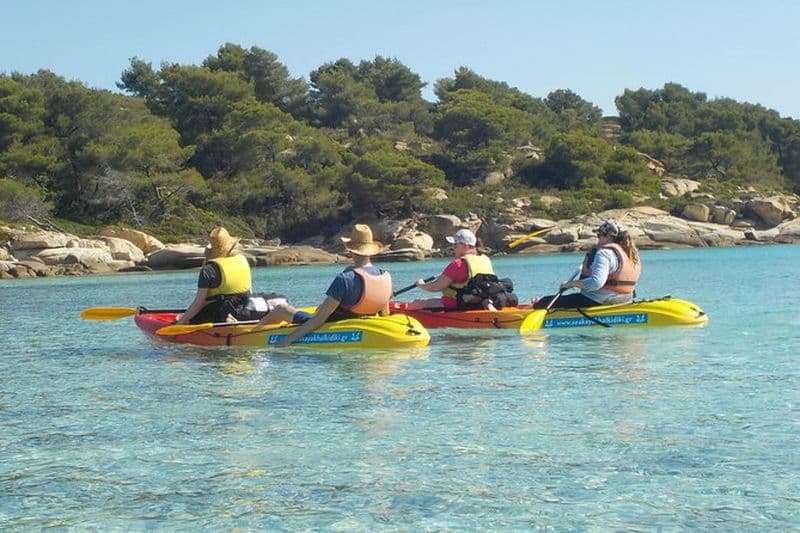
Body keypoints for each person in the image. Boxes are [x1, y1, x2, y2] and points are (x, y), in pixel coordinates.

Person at [256, 224, 393, 347]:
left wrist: (287, 340)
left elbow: (319, 320)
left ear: (351, 250)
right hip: (362, 323)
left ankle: (250, 333)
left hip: (334, 323)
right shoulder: (385, 276)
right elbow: (384, 313)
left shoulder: (345, 279)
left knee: (281, 308)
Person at [533, 219, 642, 309]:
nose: (598, 238)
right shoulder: (631, 254)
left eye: (599, 235)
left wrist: (570, 284)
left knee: (543, 302)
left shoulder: (604, 253)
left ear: (608, 237)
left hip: (598, 300)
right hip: (625, 300)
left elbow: (596, 283)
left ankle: (537, 303)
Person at [406, 228, 508, 311]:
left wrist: (421, 284)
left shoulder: (457, 264)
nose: (453, 247)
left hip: (458, 303)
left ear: (465, 245)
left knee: (415, 304)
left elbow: (435, 287)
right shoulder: (485, 259)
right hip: (480, 301)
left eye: (455, 244)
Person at [176, 224, 254, 325]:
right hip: (245, 309)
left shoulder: (208, 270)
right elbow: (250, 291)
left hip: (220, 312)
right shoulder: (242, 260)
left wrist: (182, 321)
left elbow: (199, 302)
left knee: (183, 318)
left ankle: (226, 318)